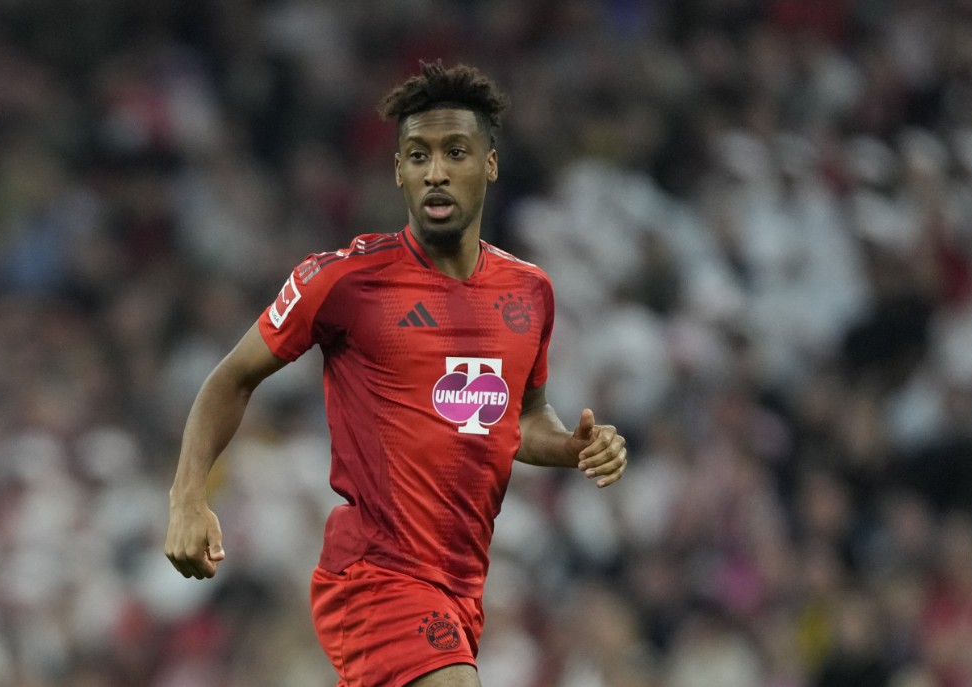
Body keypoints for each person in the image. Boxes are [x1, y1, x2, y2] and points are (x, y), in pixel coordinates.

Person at [164, 60, 628, 687]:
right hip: (374, 574)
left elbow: (520, 417)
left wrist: (573, 447)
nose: (435, 171)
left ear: (490, 163)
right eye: (417, 156)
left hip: (462, 587)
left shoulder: (529, 292)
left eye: (455, 152)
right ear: (399, 171)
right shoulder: (344, 280)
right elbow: (232, 378)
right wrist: (188, 499)